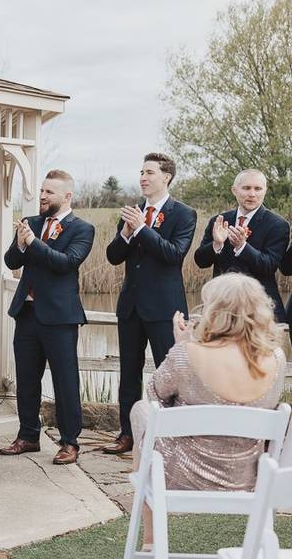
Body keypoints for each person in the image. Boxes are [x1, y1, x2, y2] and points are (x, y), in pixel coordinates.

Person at [129, 273, 286, 551]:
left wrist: (181, 344)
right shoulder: (276, 359)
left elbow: (155, 399)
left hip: (180, 477)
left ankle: (151, 541)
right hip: (249, 478)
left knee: (140, 410)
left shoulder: (186, 354)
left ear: (216, 311)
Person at [0, 170, 95, 465]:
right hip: (27, 313)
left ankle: (69, 442)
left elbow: (65, 263)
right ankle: (28, 436)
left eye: (49, 192)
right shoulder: (31, 223)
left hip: (60, 317)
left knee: (65, 381)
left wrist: (35, 244)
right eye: (42, 191)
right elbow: (11, 261)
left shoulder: (83, 229)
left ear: (67, 196)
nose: (42, 196)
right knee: (26, 379)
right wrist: (22, 243)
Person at [103, 153, 197, 455]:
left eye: (150, 172)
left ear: (166, 177)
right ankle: (127, 435)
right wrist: (128, 233)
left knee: (169, 373)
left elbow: (174, 255)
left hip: (164, 309)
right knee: (128, 373)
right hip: (130, 306)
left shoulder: (183, 214)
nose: (143, 177)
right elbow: (113, 256)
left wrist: (143, 229)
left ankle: (171, 437)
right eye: (141, 172)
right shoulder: (131, 213)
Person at [194, 169, 289, 324]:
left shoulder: (278, 225)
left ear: (265, 190)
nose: (252, 194)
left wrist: (242, 247)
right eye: (246, 188)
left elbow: (269, 266)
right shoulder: (218, 220)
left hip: (260, 308)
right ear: (234, 190)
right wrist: (217, 244)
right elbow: (200, 261)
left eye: (257, 189)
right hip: (221, 306)